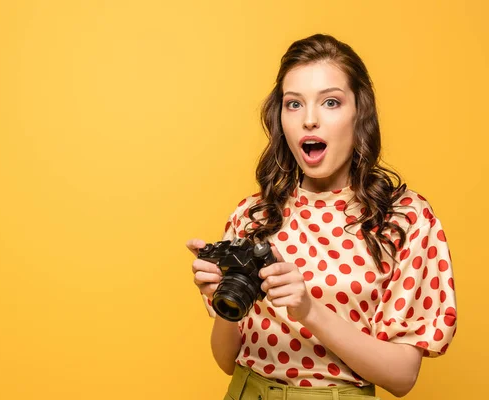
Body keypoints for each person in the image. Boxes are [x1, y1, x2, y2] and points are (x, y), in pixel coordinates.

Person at [186, 33, 457, 400]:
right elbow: (227, 359)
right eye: (293, 104)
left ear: (359, 112)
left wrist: (309, 309)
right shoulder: (253, 214)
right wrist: (225, 301)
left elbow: (402, 377)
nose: (309, 120)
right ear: (279, 117)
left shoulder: (405, 219)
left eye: (330, 102)